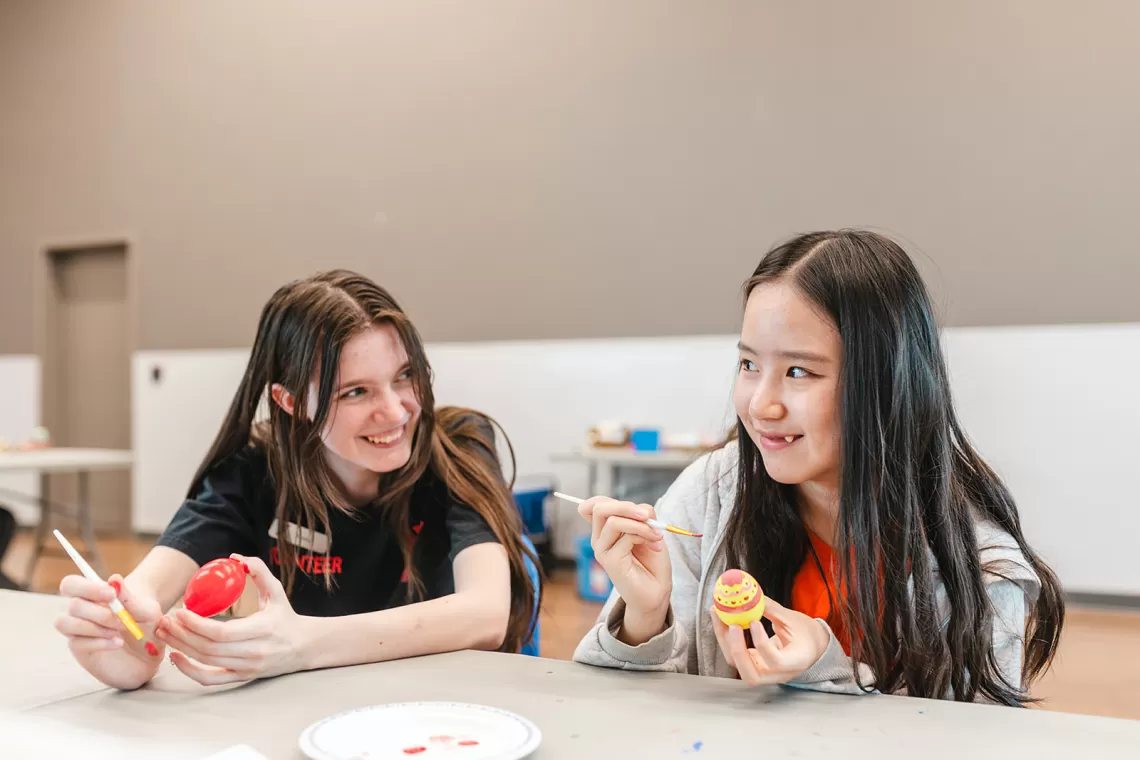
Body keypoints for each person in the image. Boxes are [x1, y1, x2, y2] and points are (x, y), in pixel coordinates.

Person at [573, 230, 1064, 704]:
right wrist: (644, 616)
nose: (761, 405)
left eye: (798, 371)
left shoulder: (974, 561)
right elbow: (641, 719)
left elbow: (973, 741)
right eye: (748, 365)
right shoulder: (712, 493)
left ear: (885, 383)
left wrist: (824, 669)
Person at [54, 270, 541, 690]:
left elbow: (486, 613)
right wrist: (122, 637)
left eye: (405, 375)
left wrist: (301, 644)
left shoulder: (459, 446)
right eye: (355, 392)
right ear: (289, 402)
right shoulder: (251, 471)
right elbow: (143, 594)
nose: (395, 411)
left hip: (443, 714)